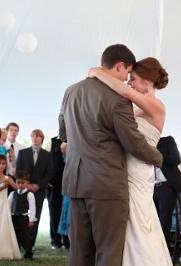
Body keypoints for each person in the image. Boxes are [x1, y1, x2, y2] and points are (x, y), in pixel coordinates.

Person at [59, 44, 163, 266]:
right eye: (127, 73)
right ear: (120, 66)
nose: (126, 80)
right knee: (108, 252)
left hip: (76, 182)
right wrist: (159, 159)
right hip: (106, 184)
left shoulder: (71, 91)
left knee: (79, 252)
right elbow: (132, 142)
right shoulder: (118, 99)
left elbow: (63, 132)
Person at [88, 56, 171, 266]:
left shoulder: (157, 106)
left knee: (139, 221)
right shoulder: (136, 107)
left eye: (133, 78)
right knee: (126, 221)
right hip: (123, 169)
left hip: (139, 171)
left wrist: (99, 72)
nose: (130, 82)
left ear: (146, 80)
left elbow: (124, 91)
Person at [16, 129, 51, 248]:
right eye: (33, 136)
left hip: (39, 191)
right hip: (24, 190)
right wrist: (26, 185)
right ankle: (20, 243)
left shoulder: (47, 155)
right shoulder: (22, 153)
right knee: (22, 217)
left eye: (38, 136)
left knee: (35, 217)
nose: (35, 138)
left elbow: (49, 173)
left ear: (42, 139)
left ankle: (30, 245)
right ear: (31, 138)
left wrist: (38, 185)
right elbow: (18, 171)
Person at [154, 136, 181, 251]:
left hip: (167, 186)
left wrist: (156, 155)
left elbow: (176, 159)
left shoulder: (167, 140)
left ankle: (164, 255)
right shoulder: (142, 143)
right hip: (151, 188)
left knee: (164, 223)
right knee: (152, 223)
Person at [8, 170, 37, 259]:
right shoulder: (13, 194)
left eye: (23, 183)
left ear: (27, 183)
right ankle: (16, 253)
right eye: (18, 182)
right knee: (15, 236)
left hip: (24, 218)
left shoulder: (30, 194)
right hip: (14, 217)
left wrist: (31, 220)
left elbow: (32, 208)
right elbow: (8, 206)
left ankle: (28, 253)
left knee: (25, 237)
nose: (20, 185)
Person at [46, 136, 67, 249]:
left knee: (69, 213)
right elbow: (45, 160)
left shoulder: (75, 135)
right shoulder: (51, 141)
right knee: (54, 213)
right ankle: (55, 241)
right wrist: (48, 181)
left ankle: (67, 241)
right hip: (54, 186)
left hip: (70, 183)